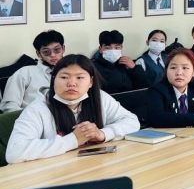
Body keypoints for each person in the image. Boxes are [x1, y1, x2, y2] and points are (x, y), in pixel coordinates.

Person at [5, 54, 140, 163]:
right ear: (53, 80)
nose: (71, 83)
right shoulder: (38, 108)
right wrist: (73, 140)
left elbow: (132, 122)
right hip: (53, 175)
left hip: (92, 166)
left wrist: (102, 134)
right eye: (64, 77)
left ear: (91, 82)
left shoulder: (100, 98)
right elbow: (14, 152)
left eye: (80, 77)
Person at [1, 30, 64, 112]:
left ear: (63, 48)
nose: (53, 55)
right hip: (31, 116)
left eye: (57, 49)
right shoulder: (25, 73)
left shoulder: (74, 72)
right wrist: (28, 117)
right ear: (39, 54)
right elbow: (9, 106)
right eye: (46, 52)